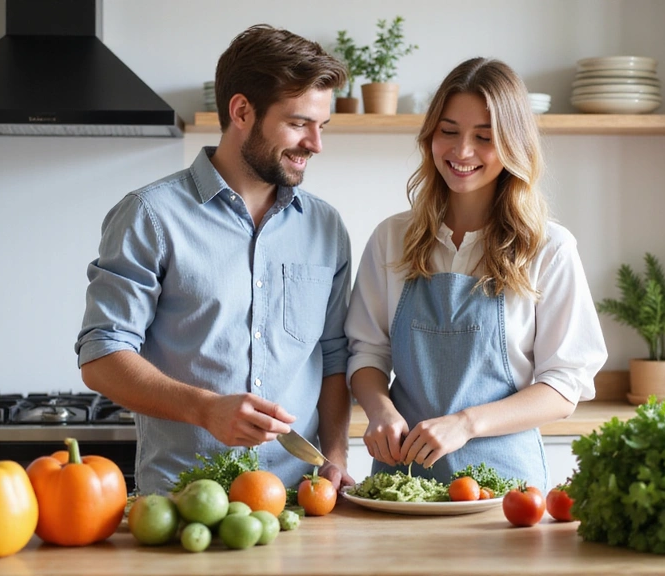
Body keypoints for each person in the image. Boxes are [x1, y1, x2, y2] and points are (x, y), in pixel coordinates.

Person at [75, 25, 354, 495]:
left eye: (321, 126)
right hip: (182, 502)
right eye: (298, 123)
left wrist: (338, 457)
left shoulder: (325, 228)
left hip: (299, 502)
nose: (315, 144)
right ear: (242, 110)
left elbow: (332, 357)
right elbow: (101, 355)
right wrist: (204, 409)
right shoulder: (150, 215)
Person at [345, 57, 607, 490]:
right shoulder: (392, 238)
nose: (461, 152)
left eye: (484, 137)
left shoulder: (549, 249)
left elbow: (565, 385)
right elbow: (367, 354)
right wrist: (381, 411)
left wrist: (466, 424)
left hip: (506, 491)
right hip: (403, 485)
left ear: (513, 145)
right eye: (448, 132)